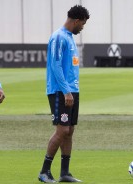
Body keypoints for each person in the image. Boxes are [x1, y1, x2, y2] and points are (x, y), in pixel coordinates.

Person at [38, 5, 89, 183]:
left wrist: (72, 91)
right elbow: (56, 65)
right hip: (60, 91)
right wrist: (66, 91)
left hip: (72, 91)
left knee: (70, 131)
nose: (82, 27)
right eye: (82, 24)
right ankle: (44, 171)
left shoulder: (69, 37)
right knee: (62, 130)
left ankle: (64, 173)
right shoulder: (59, 37)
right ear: (76, 21)